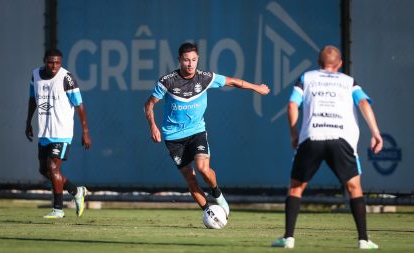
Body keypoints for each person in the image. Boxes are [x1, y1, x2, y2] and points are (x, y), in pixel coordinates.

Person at [271, 45, 383, 249]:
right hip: (341, 139)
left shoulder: (307, 78)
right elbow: (364, 104)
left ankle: (288, 238)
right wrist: (376, 133)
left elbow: (291, 105)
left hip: (312, 137)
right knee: (354, 188)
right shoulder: (349, 82)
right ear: (339, 64)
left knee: (296, 188)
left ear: (319, 64)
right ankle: (364, 240)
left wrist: (294, 133)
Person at [144, 42, 270, 218]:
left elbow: (232, 81)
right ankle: (210, 214)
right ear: (179, 59)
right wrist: (153, 126)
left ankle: (217, 193)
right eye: (186, 60)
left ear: (198, 60)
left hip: (196, 131)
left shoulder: (204, 78)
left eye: (194, 60)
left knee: (203, 169)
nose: (190, 64)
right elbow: (149, 104)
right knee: (191, 179)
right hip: (173, 137)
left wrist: (256, 88)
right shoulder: (167, 81)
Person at [25, 48, 91, 219]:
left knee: (53, 167)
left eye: (57, 63)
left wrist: (85, 132)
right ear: (44, 60)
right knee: (43, 169)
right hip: (44, 132)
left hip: (62, 132)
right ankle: (76, 190)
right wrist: (28, 122)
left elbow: (80, 106)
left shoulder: (66, 78)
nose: (54, 66)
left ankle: (58, 209)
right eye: (50, 62)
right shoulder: (36, 75)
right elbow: (33, 99)